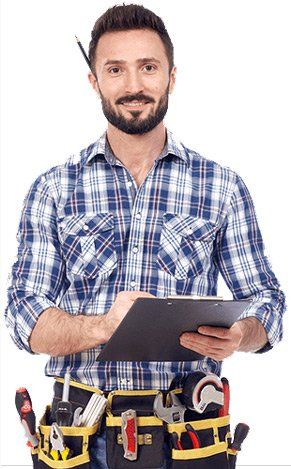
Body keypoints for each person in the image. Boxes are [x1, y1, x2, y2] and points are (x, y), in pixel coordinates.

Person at [4, 4, 285, 468]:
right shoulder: (53, 188)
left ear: (171, 76)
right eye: (116, 69)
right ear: (94, 80)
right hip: (78, 442)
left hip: (189, 439)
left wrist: (240, 334)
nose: (133, 86)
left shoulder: (222, 187)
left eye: (148, 67)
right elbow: (22, 317)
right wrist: (102, 327)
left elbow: (267, 303)